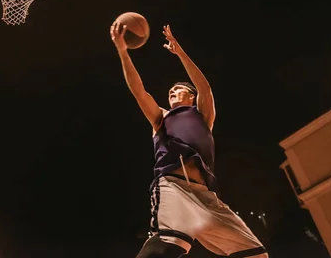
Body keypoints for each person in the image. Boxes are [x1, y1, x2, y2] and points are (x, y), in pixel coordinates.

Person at [110, 22, 268, 258]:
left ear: (191, 96)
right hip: (174, 187)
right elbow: (138, 90)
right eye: (169, 92)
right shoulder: (161, 117)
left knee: (256, 255)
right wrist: (123, 53)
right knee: (167, 246)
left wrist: (180, 52)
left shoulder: (203, 115)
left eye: (177, 89)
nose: (171, 92)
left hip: (207, 196)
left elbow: (205, 88)